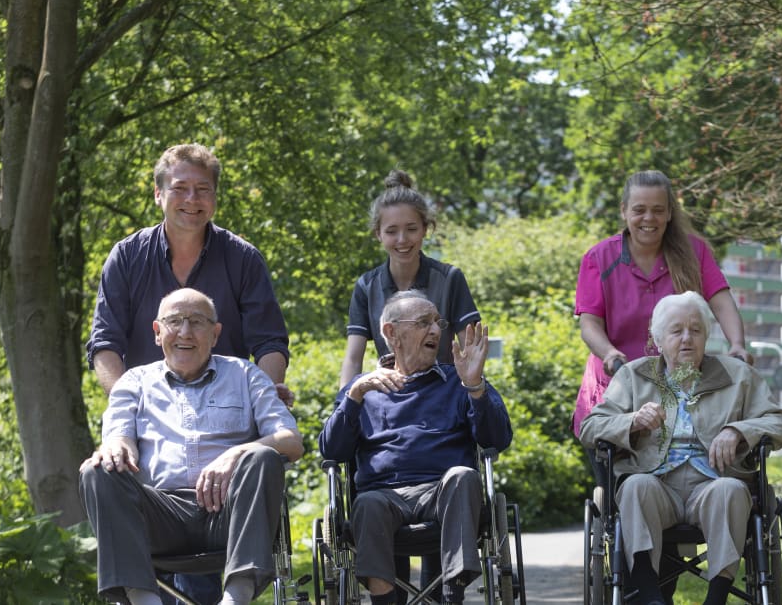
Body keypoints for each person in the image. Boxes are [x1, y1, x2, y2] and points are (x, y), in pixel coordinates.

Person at [86, 143, 293, 602]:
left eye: (203, 190)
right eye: (180, 188)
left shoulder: (241, 258)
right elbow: (105, 344)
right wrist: (127, 415)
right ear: (159, 194)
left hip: (230, 422)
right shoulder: (128, 258)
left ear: (215, 198)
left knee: (243, 473)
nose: (192, 200)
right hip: (152, 430)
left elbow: (269, 341)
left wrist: (266, 393)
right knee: (101, 470)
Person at [79, 288, 305, 605]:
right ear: (158, 333)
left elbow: (291, 441)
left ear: (215, 334)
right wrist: (117, 444)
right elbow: (118, 436)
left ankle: (235, 598)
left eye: (197, 322)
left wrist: (236, 453)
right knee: (97, 469)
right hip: (159, 517)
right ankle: (145, 600)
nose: (185, 332)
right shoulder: (134, 382)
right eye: (174, 321)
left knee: (262, 455)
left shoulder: (246, 375)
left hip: (228, 514)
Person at [578, 292, 782, 605]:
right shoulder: (634, 377)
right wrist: (632, 421)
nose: (686, 339)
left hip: (713, 484)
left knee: (732, 490)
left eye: (696, 330)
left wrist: (739, 430)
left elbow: (781, 424)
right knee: (635, 486)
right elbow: (591, 427)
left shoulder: (738, 377)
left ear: (707, 336)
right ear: (658, 339)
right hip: (655, 485)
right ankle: (651, 596)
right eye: (676, 331)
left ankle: (716, 598)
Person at [320, 290, 512, 605]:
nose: (436, 330)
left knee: (463, 476)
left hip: (444, 494)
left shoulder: (459, 380)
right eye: (424, 322)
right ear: (391, 333)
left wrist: (475, 387)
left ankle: (452, 596)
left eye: (438, 322)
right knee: (366, 504)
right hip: (383, 497)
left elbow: (497, 439)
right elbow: (333, 452)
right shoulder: (363, 389)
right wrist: (353, 397)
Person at [574, 170, 748, 483]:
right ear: (624, 211)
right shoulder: (600, 257)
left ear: (669, 213)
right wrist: (610, 354)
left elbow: (722, 301)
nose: (648, 219)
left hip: (680, 384)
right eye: (639, 210)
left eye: (657, 210)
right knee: (623, 494)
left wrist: (737, 344)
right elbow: (589, 324)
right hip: (618, 387)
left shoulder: (693, 252)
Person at [339, 169, 480, 387]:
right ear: (378, 234)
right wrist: (344, 406)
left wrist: (475, 398)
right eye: (391, 231)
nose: (402, 240)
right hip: (392, 401)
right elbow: (353, 359)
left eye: (412, 229)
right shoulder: (367, 286)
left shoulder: (450, 279)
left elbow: (472, 352)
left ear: (425, 229)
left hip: (446, 398)